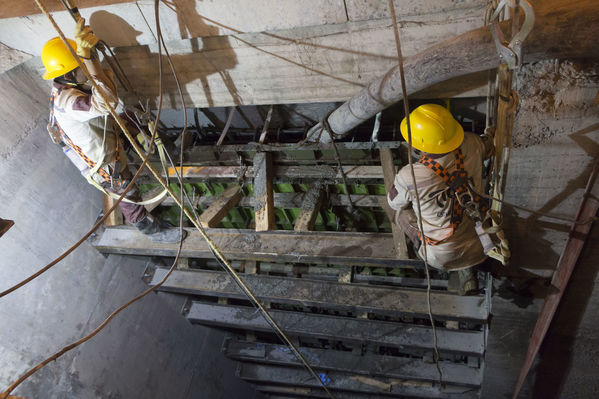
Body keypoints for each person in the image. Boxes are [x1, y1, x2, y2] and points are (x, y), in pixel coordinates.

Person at [41, 19, 185, 243]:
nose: (83, 69)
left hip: (101, 133)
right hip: (101, 160)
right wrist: (88, 58)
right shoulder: (69, 102)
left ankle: (167, 152)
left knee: (133, 117)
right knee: (126, 191)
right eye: (78, 65)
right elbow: (106, 101)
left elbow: (103, 91)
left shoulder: (67, 85)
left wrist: (90, 56)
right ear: (68, 73)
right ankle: (150, 229)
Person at [387, 104, 494, 294]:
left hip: (441, 257)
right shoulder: (473, 142)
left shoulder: (409, 176)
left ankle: (447, 263)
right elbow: (489, 147)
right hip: (482, 244)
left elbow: (393, 202)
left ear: (417, 143)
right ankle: (468, 274)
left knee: (401, 214)